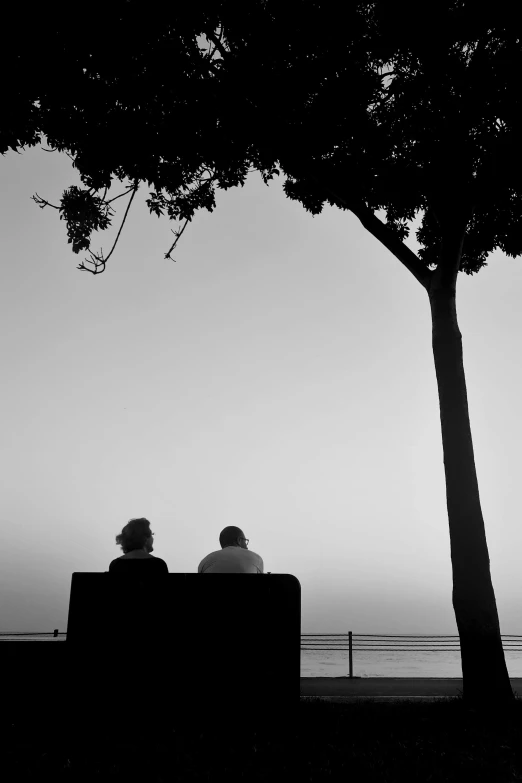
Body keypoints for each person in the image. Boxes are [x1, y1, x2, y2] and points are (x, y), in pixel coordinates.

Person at [197, 526, 264, 573]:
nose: (247, 547)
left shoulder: (205, 561)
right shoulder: (256, 559)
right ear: (239, 540)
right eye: (245, 541)